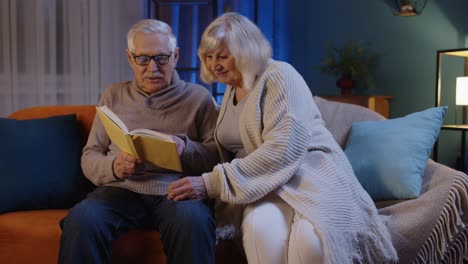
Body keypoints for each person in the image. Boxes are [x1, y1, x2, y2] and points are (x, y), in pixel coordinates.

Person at [167, 12, 399, 264]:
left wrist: (211, 182)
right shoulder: (232, 89)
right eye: (208, 57)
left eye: (222, 56)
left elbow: (284, 149)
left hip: (307, 174)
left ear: (247, 52)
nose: (214, 65)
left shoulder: (279, 75)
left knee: (309, 245)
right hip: (263, 186)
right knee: (261, 232)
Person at [58, 19, 219, 264]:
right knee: (83, 219)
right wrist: (114, 166)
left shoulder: (199, 98)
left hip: (176, 190)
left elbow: (217, 156)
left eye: (161, 58)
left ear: (175, 56)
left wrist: (186, 149)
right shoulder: (113, 95)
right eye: (143, 59)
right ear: (130, 58)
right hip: (122, 189)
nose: (152, 68)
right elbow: (90, 155)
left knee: (193, 222)